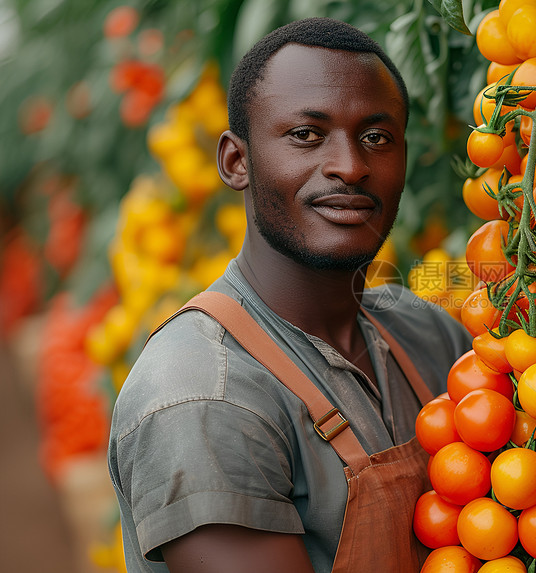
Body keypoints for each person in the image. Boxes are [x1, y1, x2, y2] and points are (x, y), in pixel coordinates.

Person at [108, 17, 473, 573]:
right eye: (307, 134)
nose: (350, 166)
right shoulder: (204, 395)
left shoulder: (429, 333)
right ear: (236, 162)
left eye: (376, 138)